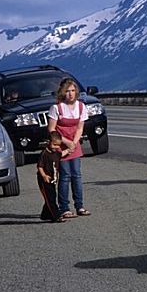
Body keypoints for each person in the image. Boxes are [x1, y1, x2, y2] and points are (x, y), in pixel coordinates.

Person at [48, 78, 91, 218]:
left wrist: (74, 143)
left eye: (73, 91)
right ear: (62, 92)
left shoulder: (81, 106)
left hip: (74, 144)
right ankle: (64, 207)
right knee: (65, 175)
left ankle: (80, 205)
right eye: (67, 91)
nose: (70, 94)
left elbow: (80, 127)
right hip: (61, 144)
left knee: (77, 175)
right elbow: (51, 129)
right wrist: (66, 142)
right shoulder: (56, 108)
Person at [37, 131, 69, 223]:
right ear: (48, 142)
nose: (56, 147)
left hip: (53, 179)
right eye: (54, 144)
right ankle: (56, 216)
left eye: (58, 145)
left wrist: (68, 150)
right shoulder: (44, 153)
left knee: (52, 196)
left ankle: (45, 214)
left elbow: (61, 154)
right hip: (44, 180)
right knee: (50, 198)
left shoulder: (56, 153)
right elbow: (40, 166)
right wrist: (44, 175)